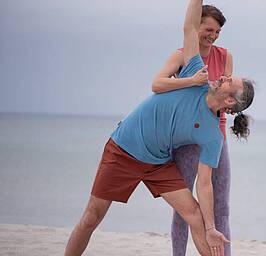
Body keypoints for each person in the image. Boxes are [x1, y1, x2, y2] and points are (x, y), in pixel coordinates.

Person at [64, 0, 255, 256]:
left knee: (196, 217)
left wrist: (211, 227)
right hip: (124, 149)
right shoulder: (196, 71)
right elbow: (188, 27)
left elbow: (205, 185)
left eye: (229, 80)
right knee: (92, 217)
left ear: (230, 100)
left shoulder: (212, 135)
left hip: (158, 162)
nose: (223, 75)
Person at [151, 4, 234, 256]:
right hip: (187, 138)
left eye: (218, 31)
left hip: (215, 136)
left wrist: (231, 108)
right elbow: (156, 84)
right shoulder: (181, 56)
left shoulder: (225, 56)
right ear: (197, 27)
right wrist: (190, 81)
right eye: (209, 29)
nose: (213, 35)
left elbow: (226, 96)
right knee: (185, 208)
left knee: (221, 208)